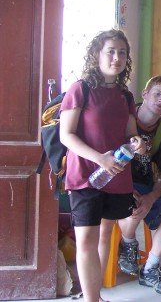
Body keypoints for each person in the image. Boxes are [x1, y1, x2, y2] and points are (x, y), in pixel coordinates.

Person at [59, 29, 145, 302]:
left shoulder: (125, 95)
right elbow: (66, 135)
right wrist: (100, 159)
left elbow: (131, 134)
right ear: (97, 54)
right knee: (85, 240)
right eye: (110, 51)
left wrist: (138, 143)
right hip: (86, 176)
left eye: (122, 52)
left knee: (105, 235)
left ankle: (95, 295)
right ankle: (91, 299)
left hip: (116, 177)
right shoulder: (81, 89)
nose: (116, 58)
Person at [116, 76, 161, 294]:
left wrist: (151, 198)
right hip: (117, 184)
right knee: (131, 205)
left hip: (146, 185)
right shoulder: (123, 118)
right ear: (144, 94)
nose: (160, 100)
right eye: (157, 93)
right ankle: (128, 243)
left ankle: (151, 268)